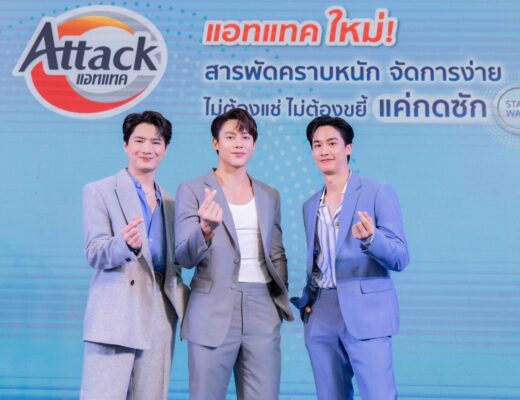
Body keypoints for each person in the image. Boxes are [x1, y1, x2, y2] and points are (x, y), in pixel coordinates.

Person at [174, 108, 293, 400]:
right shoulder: (192, 190)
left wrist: (278, 302)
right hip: (211, 307)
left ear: (254, 144)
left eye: (246, 137)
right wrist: (204, 230)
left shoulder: (269, 194)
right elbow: (183, 257)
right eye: (230, 137)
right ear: (216, 143)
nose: (239, 143)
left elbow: (277, 252)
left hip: (262, 307)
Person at [291, 116, 410, 400]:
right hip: (321, 312)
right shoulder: (310, 205)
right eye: (317, 145)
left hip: (366, 312)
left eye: (332, 143)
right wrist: (309, 307)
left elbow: (400, 257)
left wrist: (371, 239)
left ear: (348, 148)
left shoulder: (377, 191)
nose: (324, 150)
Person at [80, 111, 188, 400]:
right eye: (139, 140)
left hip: (159, 316)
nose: (147, 148)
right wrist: (124, 245)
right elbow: (94, 252)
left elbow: (176, 264)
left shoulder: (172, 202)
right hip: (116, 311)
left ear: (165, 149)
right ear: (126, 145)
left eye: (156, 142)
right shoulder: (100, 191)